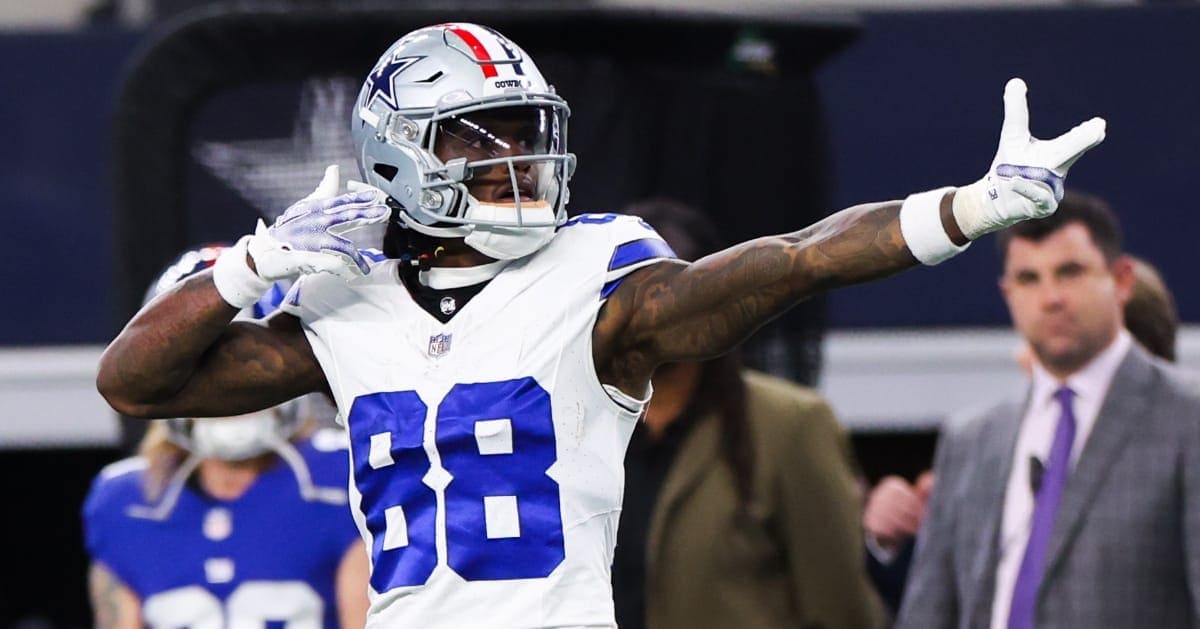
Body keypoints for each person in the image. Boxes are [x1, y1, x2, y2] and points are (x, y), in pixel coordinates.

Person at [95, 22, 1106, 627]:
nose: (520, 165)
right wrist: (255, 263)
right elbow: (135, 383)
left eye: (529, 137)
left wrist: (964, 210)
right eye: (483, 145)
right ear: (399, 155)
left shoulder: (595, 273)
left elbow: (791, 258)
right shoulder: (345, 300)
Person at [895, 192, 1200, 629]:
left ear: (1122, 280)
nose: (1051, 297)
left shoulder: (1188, 419)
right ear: (1008, 293)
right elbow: (929, 614)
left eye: (1070, 272)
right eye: (1029, 278)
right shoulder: (972, 439)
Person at [611, 198, 884, 629]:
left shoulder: (789, 425)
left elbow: (840, 609)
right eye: (635, 297)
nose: (653, 315)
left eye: (673, 293)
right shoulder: (580, 428)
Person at [83, 245, 368, 628]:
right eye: (207, 370)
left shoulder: (343, 473)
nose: (228, 392)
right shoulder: (124, 499)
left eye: (247, 368)